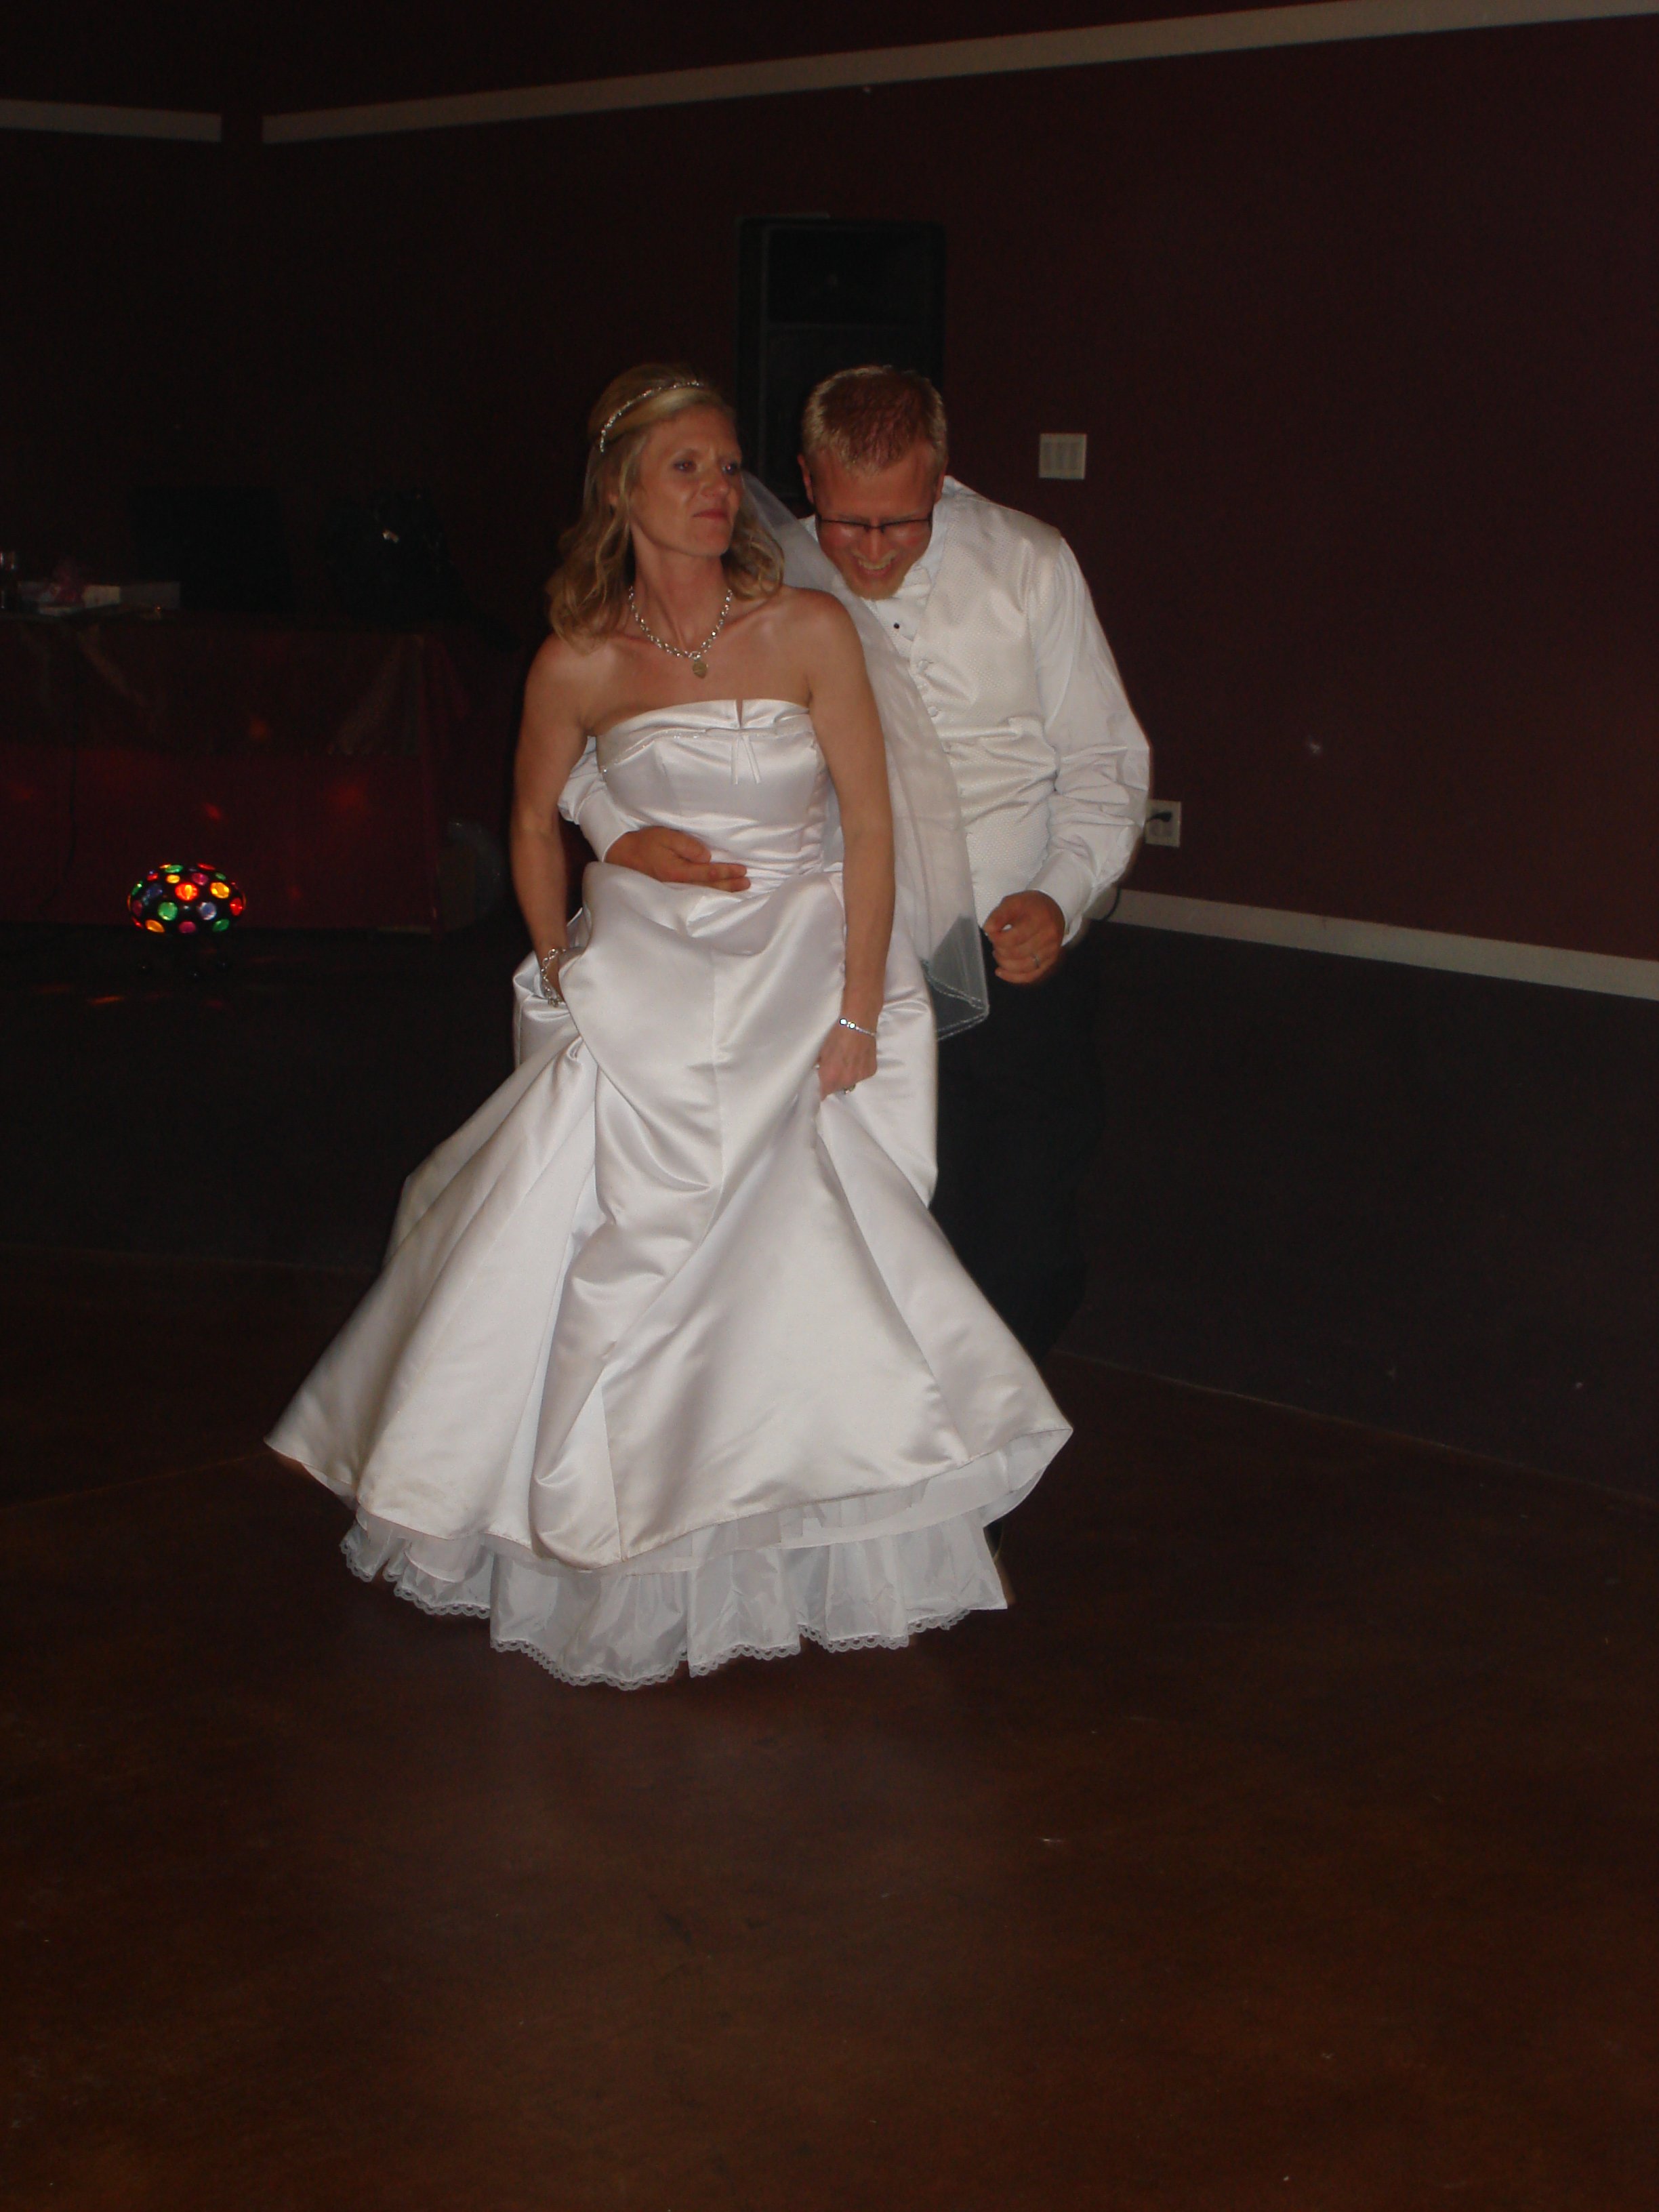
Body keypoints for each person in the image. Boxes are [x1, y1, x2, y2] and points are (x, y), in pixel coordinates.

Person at [267, 365, 1069, 1689]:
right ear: (620, 491)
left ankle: (792, 1525)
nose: (716, 490)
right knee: (614, 1242)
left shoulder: (807, 627)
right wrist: (557, 965)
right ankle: (598, 1523)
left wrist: (859, 1007)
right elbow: (532, 822)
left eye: (725, 464)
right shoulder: (578, 660)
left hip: (795, 977)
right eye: (685, 467)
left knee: (799, 1258)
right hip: (644, 978)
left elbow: (872, 828)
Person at [561, 367, 1151, 1363]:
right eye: (846, 524)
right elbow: (596, 720)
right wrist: (615, 827)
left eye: (902, 523)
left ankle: (993, 1426)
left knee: (1019, 1230)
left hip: (1007, 953)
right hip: (829, 962)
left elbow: (1105, 761)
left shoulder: (1029, 563)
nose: (872, 551)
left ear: (942, 477)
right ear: (806, 480)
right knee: (847, 1233)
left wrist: (1060, 897)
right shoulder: (762, 572)